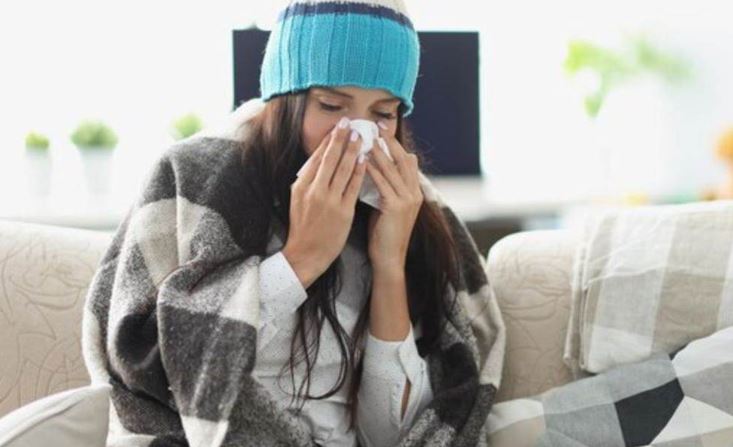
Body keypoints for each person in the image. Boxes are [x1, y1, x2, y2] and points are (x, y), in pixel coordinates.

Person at [81, 1, 505, 446]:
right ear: (285, 99)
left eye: (383, 114)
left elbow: (389, 438)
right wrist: (302, 259)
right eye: (331, 104)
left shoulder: (411, 211)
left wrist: (389, 265)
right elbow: (153, 365)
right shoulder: (192, 179)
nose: (356, 135)